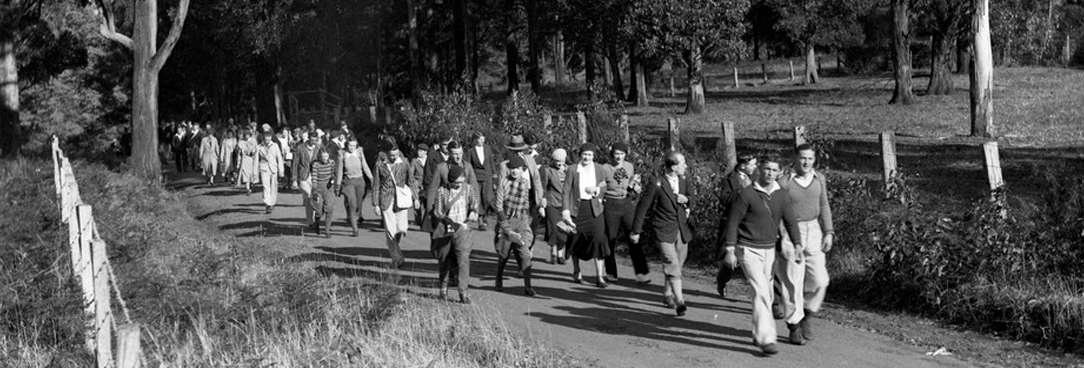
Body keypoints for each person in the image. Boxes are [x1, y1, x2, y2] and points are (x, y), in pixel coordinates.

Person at [722, 153, 802, 356]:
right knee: (760, 291)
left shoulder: (782, 194)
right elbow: (733, 222)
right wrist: (730, 250)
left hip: (769, 250)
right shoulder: (747, 194)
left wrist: (798, 244)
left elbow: (790, 221)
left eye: (775, 170)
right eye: (767, 169)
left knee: (764, 292)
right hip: (747, 249)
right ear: (759, 169)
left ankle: (758, 333)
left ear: (779, 172)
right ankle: (767, 339)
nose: (770, 173)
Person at [775, 144, 834, 345]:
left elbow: (824, 204)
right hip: (791, 231)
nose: (807, 162)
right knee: (792, 281)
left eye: (810, 158)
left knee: (820, 280)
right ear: (795, 158)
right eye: (803, 158)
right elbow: (776, 210)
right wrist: (779, 236)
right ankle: (794, 324)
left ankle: (808, 313)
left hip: (814, 230)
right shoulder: (784, 182)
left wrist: (828, 232)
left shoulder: (819, 179)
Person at [631, 151, 696, 316]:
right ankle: (680, 301)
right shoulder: (657, 182)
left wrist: (687, 200)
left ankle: (667, 294)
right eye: (683, 164)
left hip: (682, 229)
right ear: (674, 167)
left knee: (677, 265)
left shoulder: (684, 179)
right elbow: (643, 207)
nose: (686, 166)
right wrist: (636, 231)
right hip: (663, 229)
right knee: (671, 262)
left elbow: (693, 198)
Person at [560, 143, 612, 288]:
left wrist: (597, 190)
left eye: (590, 155)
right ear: (580, 155)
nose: (587, 157)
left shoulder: (600, 169)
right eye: (585, 154)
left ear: (593, 156)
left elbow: (604, 186)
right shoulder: (572, 169)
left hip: (594, 209)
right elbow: (566, 191)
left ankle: (599, 276)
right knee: (576, 240)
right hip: (577, 209)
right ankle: (577, 270)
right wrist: (565, 210)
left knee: (598, 239)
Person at [431, 165, 478, 303]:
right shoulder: (442, 191)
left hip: (462, 229)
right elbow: (438, 211)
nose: (458, 185)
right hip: (446, 229)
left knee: (463, 260)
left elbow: (473, 203)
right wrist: (447, 221)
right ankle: (443, 289)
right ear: (450, 180)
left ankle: (463, 292)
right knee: (445, 259)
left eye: (460, 182)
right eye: (455, 183)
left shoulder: (467, 188)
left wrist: (474, 212)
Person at [494, 155, 538, 296]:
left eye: (518, 168)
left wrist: (526, 222)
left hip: (521, 221)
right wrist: (505, 226)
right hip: (506, 221)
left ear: (522, 170)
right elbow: (498, 206)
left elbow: (526, 203)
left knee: (525, 254)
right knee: (504, 255)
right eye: (512, 168)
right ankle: (499, 279)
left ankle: (528, 285)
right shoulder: (503, 183)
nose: (515, 171)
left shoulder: (524, 183)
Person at [602, 142, 645, 283]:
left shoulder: (629, 166)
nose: (619, 157)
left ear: (625, 154)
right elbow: (600, 188)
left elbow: (632, 186)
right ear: (612, 154)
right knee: (610, 239)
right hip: (611, 204)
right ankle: (611, 272)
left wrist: (635, 187)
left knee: (634, 236)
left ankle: (641, 273)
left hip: (626, 204)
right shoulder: (605, 168)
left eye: (622, 154)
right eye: (616, 154)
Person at [716, 153, 758, 298]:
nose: (755, 167)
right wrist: (741, 190)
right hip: (734, 221)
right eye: (752, 164)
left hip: (751, 222)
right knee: (730, 259)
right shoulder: (729, 180)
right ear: (743, 165)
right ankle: (722, 280)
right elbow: (724, 199)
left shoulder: (756, 178)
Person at [370, 138, 415, 269]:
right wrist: (376, 204)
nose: (394, 157)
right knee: (390, 230)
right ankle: (397, 257)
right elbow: (376, 185)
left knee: (402, 228)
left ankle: (396, 248)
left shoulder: (404, 162)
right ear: (386, 154)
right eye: (392, 155)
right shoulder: (380, 165)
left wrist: (416, 198)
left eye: (396, 154)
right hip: (386, 198)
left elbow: (411, 180)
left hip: (401, 198)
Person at [498, 134, 546, 247]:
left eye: (520, 150)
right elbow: (502, 184)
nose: (517, 153)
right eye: (514, 151)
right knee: (514, 224)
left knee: (532, 224)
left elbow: (537, 180)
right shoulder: (505, 165)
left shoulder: (530, 160)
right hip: (513, 197)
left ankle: (529, 248)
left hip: (530, 195)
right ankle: (511, 247)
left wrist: (540, 201)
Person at [336, 136, 375, 236]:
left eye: (354, 145)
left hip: (360, 181)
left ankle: (355, 216)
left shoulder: (359, 153)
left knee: (358, 205)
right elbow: (340, 170)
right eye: (350, 145)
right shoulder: (342, 154)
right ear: (347, 145)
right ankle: (355, 229)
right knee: (352, 204)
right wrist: (338, 184)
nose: (352, 147)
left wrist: (371, 178)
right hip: (348, 181)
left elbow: (365, 166)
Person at [540, 148, 569, 264]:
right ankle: (553, 251)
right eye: (557, 161)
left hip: (565, 204)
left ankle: (560, 254)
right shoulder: (548, 171)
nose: (559, 163)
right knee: (554, 229)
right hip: (552, 203)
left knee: (564, 230)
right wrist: (543, 202)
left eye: (561, 161)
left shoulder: (569, 170)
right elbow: (544, 187)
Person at [465, 131, 497, 230]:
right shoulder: (470, 151)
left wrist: (494, 175)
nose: (482, 141)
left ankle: (485, 215)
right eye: (479, 139)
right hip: (476, 177)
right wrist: (468, 179)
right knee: (477, 199)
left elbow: (491, 162)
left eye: (483, 139)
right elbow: (468, 166)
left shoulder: (487, 149)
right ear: (475, 140)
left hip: (487, 177)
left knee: (488, 198)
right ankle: (480, 221)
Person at [293, 131, 323, 231]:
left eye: (315, 140)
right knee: (310, 196)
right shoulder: (300, 148)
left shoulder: (318, 148)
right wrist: (294, 180)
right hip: (303, 177)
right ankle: (311, 221)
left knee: (310, 199)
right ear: (308, 138)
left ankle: (312, 220)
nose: (313, 142)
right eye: (312, 140)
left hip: (315, 176)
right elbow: (295, 164)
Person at [308, 148, 338, 237]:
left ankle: (327, 230)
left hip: (328, 188)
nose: (325, 158)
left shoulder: (332, 162)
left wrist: (333, 180)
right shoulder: (316, 164)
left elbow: (333, 173)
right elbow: (314, 177)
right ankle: (317, 221)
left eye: (326, 156)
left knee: (329, 208)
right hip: (318, 188)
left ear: (329, 155)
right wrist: (314, 190)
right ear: (320, 156)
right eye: (323, 156)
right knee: (320, 211)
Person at [257, 132, 285, 214]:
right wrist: (254, 172)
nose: (267, 140)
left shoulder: (275, 146)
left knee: (273, 186)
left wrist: (281, 170)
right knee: (266, 187)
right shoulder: (259, 147)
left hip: (273, 168)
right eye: (266, 138)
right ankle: (268, 204)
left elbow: (279, 158)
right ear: (263, 138)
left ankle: (272, 203)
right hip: (264, 168)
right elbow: (256, 160)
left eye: (269, 138)